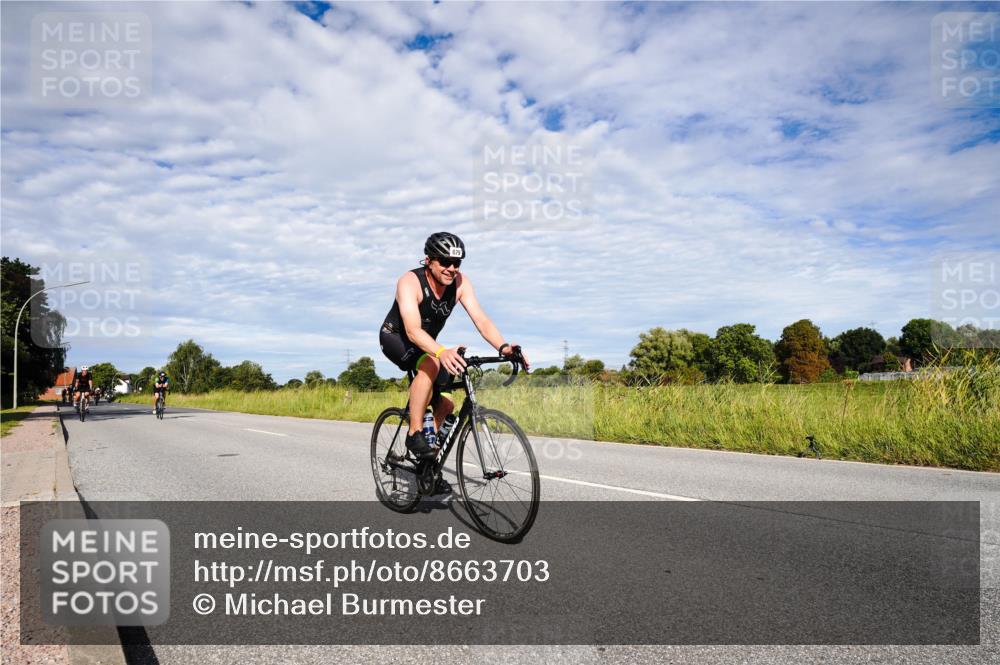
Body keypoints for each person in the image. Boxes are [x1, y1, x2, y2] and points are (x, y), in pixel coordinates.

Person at [380, 232, 529, 465]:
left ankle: (428, 465)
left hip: (428, 345)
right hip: (397, 338)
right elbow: (412, 330)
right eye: (445, 262)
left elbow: (481, 320)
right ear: (429, 261)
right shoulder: (410, 282)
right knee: (431, 364)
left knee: (447, 404)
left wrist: (504, 347)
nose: (452, 268)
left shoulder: (461, 283)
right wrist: (441, 352)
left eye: (457, 263)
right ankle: (414, 434)